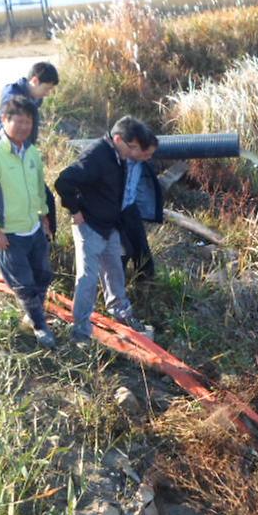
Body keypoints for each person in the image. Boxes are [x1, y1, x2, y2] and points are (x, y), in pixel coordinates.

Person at [54, 116, 155, 346]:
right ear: (118, 138)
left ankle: (121, 312)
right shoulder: (96, 155)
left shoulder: (119, 156)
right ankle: (80, 332)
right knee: (88, 278)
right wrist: (75, 211)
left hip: (109, 226)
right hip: (90, 226)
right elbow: (63, 182)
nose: (134, 152)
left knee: (115, 271)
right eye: (132, 147)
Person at [0, 95, 56, 349]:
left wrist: (44, 218)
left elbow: (39, 189)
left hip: (33, 228)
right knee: (24, 285)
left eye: (28, 122)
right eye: (18, 121)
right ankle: (40, 327)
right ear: (4, 120)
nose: (24, 127)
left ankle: (32, 315)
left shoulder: (31, 152)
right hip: (8, 234)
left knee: (43, 276)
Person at [0, 61, 60, 236]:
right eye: (46, 88)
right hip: (11, 158)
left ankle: (45, 240)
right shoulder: (13, 98)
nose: (47, 94)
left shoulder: (33, 96)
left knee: (44, 199)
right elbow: (5, 132)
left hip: (26, 155)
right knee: (40, 198)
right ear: (34, 80)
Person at [119, 134, 163, 281]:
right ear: (135, 148)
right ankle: (117, 287)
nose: (149, 157)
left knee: (143, 253)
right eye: (147, 153)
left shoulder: (141, 164)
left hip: (130, 209)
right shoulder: (118, 162)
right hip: (114, 212)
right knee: (123, 252)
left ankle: (145, 285)